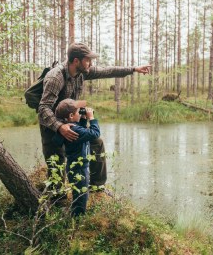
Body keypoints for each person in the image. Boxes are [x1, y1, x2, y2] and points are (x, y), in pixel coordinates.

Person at [38, 42, 150, 191]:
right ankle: (55, 200)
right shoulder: (55, 77)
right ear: (76, 61)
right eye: (88, 59)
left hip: (72, 121)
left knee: (96, 142)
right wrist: (59, 127)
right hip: (52, 125)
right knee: (56, 170)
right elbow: (43, 108)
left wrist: (134, 69)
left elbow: (107, 71)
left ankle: (96, 186)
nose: (91, 63)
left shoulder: (83, 72)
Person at [52, 99, 99, 216]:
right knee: (82, 196)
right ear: (71, 115)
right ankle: (77, 218)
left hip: (75, 166)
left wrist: (82, 118)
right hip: (80, 168)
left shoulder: (70, 128)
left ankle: (75, 212)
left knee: (78, 192)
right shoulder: (74, 129)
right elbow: (94, 134)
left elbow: (81, 130)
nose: (80, 112)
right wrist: (91, 118)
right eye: (79, 112)